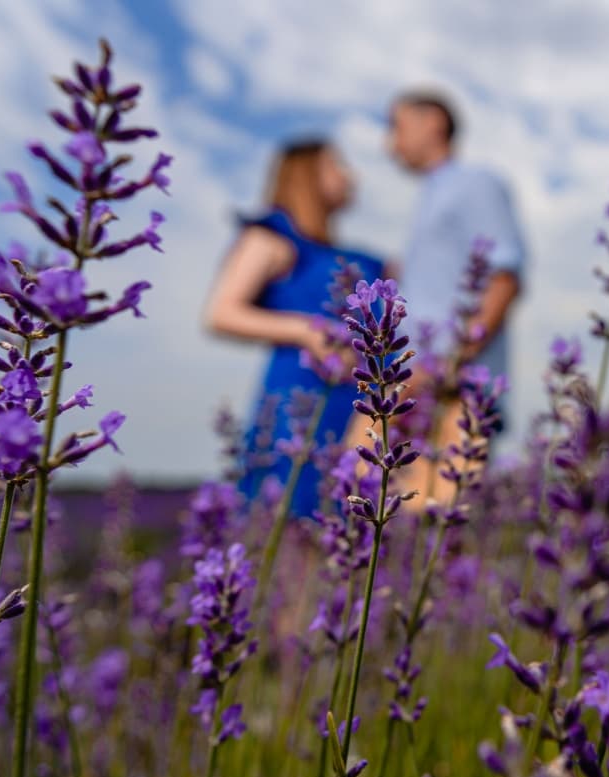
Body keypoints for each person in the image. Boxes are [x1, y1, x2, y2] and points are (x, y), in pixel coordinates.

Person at [205, 138, 383, 515]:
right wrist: (305, 330)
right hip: (301, 399)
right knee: (292, 515)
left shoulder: (352, 256)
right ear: (308, 175)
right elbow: (221, 313)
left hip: (357, 405)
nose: (352, 176)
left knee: (350, 524)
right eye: (338, 166)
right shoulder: (272, 238)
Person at [381, 90, 526, 501]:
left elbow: (503, 278)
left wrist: (444, 364)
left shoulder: (473, 183)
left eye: (396, 126)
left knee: (437, 534)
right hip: (412, 387)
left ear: (434, 123)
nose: (388, 143)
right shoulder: (429, 195)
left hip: (452, 388)